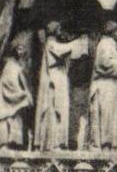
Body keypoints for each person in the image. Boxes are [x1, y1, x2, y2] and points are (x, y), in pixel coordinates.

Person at [34, 22, 84, 151]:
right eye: (59, 29)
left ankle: (57, 142)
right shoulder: (51, 44)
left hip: (59, 80)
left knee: (60, 110)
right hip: (54, 82)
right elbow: (63, 50)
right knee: (55, 111)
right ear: (55, 30)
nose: (61, 31)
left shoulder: (53, 44)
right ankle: (53, 143)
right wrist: (80, 40)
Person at [0, 38, 33, 148]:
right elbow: (9, 82)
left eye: (23, 50)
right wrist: (21, 94)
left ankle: (8, 144)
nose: (20, 52)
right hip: (8, 100)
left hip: (16, 101)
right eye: (18, 49)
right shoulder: (10, 64)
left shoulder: (20, 65)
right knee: (4, 120)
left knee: (14, 120)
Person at [87, 22, 117, 150]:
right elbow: (105, 62)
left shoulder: (108, 44)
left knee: (107, 116)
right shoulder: (106, 43)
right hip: (106, 86)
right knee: (106, 116)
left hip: (108, 84)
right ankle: (105, 145)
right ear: (112, 31)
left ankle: (106, 144)